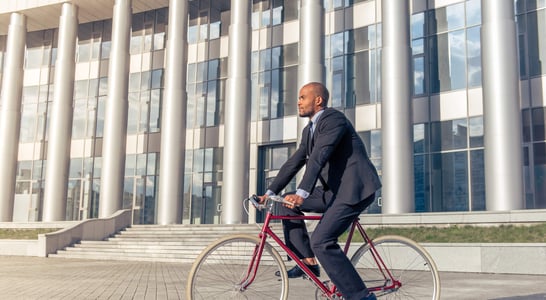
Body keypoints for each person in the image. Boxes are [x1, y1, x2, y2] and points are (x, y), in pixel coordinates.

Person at [260, 82, 381, 300]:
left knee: (322, 241)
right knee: (284, 202)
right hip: (332, 192)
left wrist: (303, 192)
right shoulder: (309, 130)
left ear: (318, 100)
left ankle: (361, 296)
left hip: (354, 190)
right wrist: (270, 193)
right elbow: (294, 162)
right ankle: (307, 262)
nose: (298, 102)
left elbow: (319, 157)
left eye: (302, 97)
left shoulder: (333, 119)